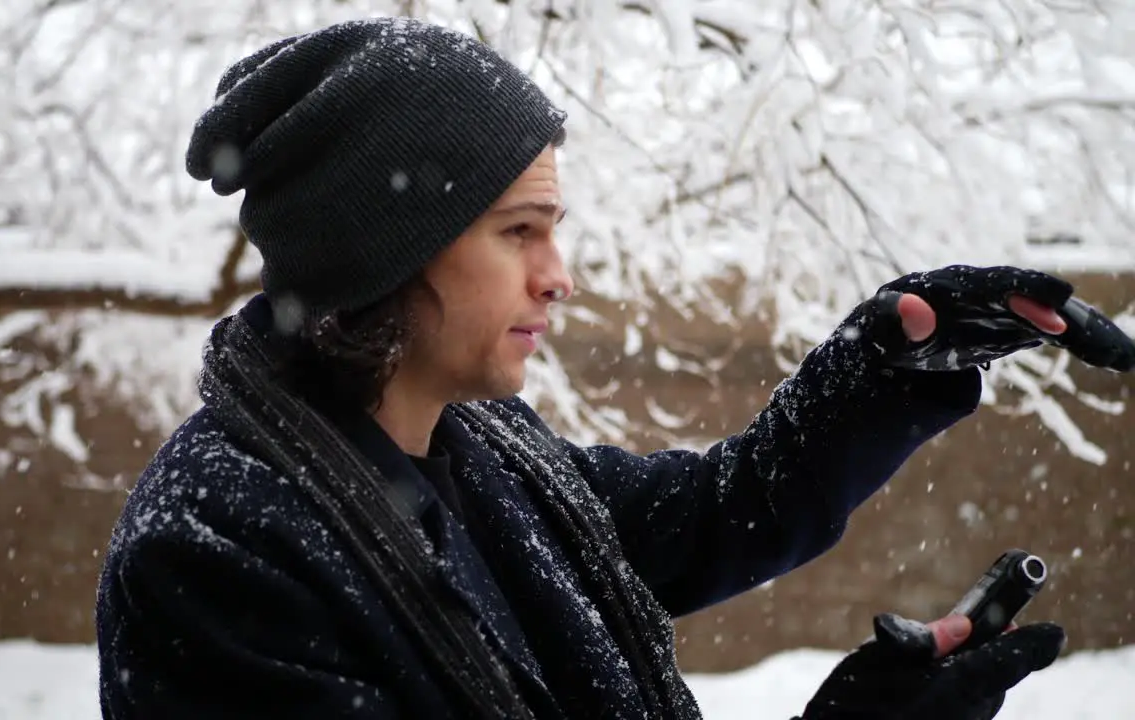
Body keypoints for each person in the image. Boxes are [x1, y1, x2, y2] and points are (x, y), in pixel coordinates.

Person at [94, 16, 1134, 720]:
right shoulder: (215, 554)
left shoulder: (485, 452)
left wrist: (886, 360)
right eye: (518, 233)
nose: (560, 278)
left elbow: (723, 509)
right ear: (385, 250)